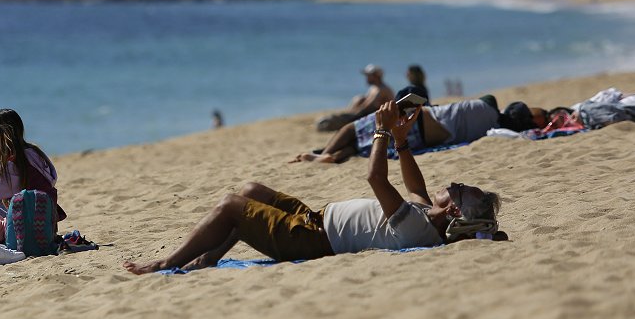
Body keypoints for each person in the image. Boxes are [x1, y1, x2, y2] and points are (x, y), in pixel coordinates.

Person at [123, 101, 504, 274]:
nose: (454, 183)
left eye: (459, 190)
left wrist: (382, 131)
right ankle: (209, 257)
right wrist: (402, 141)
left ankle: (165, 262)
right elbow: (414, 184)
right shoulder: (426, 216)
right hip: (314, 219)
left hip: (310, 239)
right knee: (253, 189)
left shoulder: (420, 230)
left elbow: (375, 178)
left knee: (230, 205)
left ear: (454, 211)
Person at [295, 96, 545, 163]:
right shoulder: (495, 132)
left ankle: (323, 154)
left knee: (352, 128)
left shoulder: (487, 106)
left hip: (421, 118)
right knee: (362, 145)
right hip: (422, 140)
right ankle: (336, 156)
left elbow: (490, 97)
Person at [315, 64, 395, 132]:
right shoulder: (375, 88)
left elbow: (367, 106)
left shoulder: (382, 89)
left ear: (376, 76)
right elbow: (365, 104)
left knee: (344, 120)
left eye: (369, 76)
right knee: (358, 99)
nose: (367, 78)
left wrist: (353, 113)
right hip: (370, 115)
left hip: (376, 118)